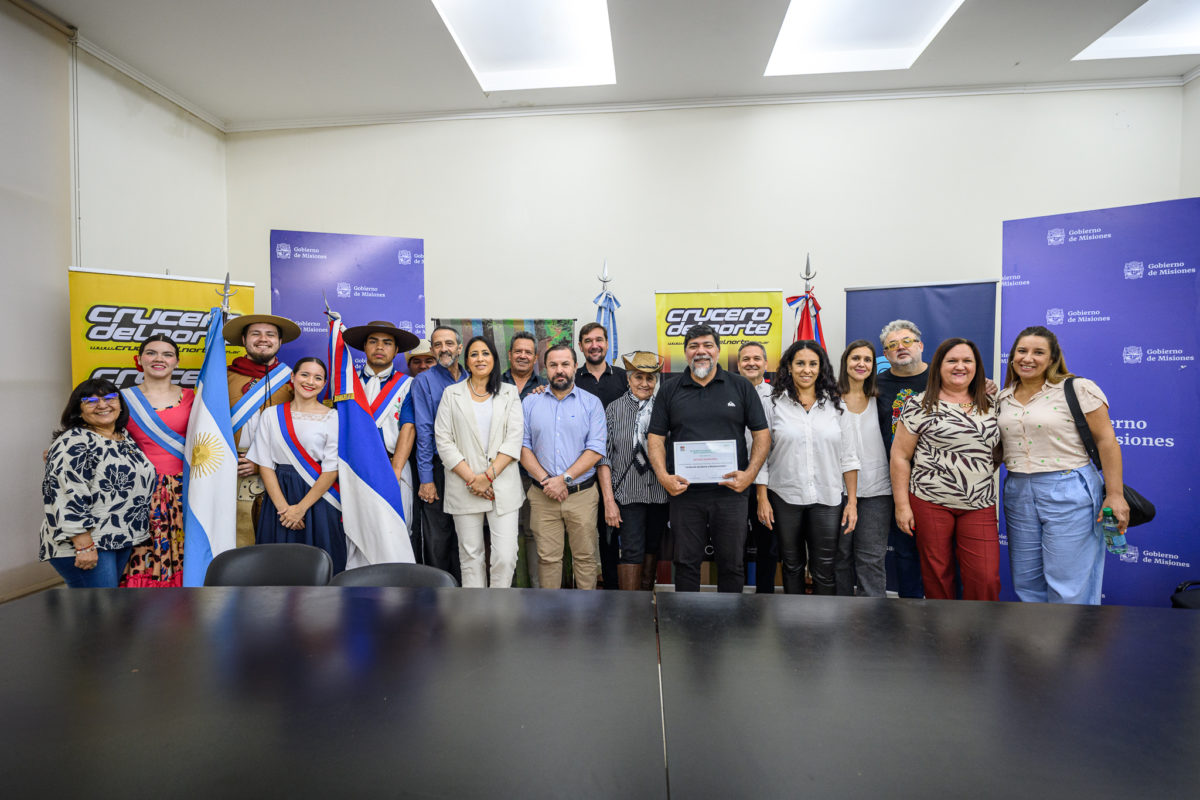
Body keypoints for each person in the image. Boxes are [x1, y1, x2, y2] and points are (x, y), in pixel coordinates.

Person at [997, 325, 1129, 605]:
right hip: (1018, 490)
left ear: (1052, 359)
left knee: (1069, 583)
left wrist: (1115, 495)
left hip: (1069, 487)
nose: (1028, 358)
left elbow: (1107, 441)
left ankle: (1073, 647)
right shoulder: (1002, 397)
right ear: (1012, 357)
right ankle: (1036, 645)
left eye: (1038, 352)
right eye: (1022, 351)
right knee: (1027, 580)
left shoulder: (1077, 388)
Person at [647, 324, 769, 593]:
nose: (701, 351)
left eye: (707, 345)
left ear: (718, 350)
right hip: (685, 492)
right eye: (694, 346)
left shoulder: (740, 386)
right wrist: (663, 477)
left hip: (731, 493)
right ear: (685, 352)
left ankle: (730, 626)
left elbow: (762, 435)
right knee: (687, 563)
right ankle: (688, 626)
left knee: (732, 564)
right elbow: (655, 439)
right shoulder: (669, 389)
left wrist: (749, 476)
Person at [890, 338, 1001, 601]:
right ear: (939, 366)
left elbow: (1000, 451)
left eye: (967, 361)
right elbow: (900, 456)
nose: (959, 366)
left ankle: (979, 636)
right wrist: (902, 505)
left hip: (979, 503)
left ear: (977, 367)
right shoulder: (918, 404)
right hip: (930, 502)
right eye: (952, 360)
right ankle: (943, 637)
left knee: (985, 577)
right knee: (937, 575)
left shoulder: (993, 403)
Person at [756, 340, 859, 595]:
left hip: (827, 497)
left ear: (821, 368)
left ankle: (825, 631)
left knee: (825, 568)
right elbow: (761, 455)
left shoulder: (837, 406)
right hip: (784, 496)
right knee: (791, 566)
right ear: (789, 368)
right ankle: (795, 629)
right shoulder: (772, 404)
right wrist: (761, 498)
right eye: (800, 363)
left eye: (813, 364)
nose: (806, 370)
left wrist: (852, 502)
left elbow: (849, 457)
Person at [40, 379, 155, 588]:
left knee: (103, 611)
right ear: (78, 409)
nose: (102, 405)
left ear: (120, 404)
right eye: (91, 400)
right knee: (100, 613)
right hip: (87, 543)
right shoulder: (73, 442)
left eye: (110, 398)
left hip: (117, 538)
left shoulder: (124, 438)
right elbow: (65, 495)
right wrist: (83, 545)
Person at [435, 336, 525, 587]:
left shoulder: (509, 393)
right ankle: (475, 617)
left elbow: (514, 439)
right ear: (467, 361)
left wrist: (486, 478)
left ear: (494, 359)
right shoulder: (451, 394)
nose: (480, 359)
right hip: (465, 485)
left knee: (505, 557)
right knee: (471, 556)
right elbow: (443, 440)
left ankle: (499, 612)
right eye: (474, 354)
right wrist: (473, 479)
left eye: (485, 353)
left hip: (501, 486)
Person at [520, 342, 607, 589]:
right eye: (553, 365)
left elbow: (596, 450)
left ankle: (586, 619)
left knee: (585, 558)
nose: (560, 370)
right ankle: (551, 620)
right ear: (545, 368)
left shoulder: (592, 404)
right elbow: (522, 448)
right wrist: (549, 481)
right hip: (542, 495)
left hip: (581, 495)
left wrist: (563, 479)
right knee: (547, 560)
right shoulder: (530, 403)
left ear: (575, 367)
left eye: (565, 364)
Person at [247, 357, 345, 572]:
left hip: (318, 497)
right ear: (293, 377)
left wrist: (300, 509)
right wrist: (285, 510)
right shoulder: (271, 415)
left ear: (324, 384)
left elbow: (331, 469)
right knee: (278, 566)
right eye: (304, 374)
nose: (310, 381)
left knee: (320, 565)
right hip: (279, 496)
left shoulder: (333, 417)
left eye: (318, 378)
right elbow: (265, 465)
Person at [119, 334, 196, 587]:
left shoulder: (193, 397)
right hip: (137, 491)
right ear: (139, 359)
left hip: (185, 490)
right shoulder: (120, 399)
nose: (159, 359)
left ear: (176, 362)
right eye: (151, 353)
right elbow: (100, 435)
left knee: (183, 548)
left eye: (167, 354)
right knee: (142, 552)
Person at [224, 313, 301, 548]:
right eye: (255, 334)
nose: (263, 339)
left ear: (279, 341)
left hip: (280, 471)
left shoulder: (293, 381)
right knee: (236, 542)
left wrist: (259, 463)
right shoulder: (222, 377)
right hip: (232, 471)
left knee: (276, 542)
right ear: (244, 339)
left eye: (270, 334)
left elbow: (304, 432)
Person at [598, 351, 670, 590]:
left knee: (652, 548)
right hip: (627, 493)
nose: (644, 383)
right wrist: (609, 500)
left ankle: (647, 604)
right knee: (631, 550)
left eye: (651, 378)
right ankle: (632, 612)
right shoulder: (613, 409)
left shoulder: (666, 407)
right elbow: (604, 458)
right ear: (628, 379)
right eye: (639, 377)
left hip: (659, 492)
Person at [343, 319, 420, 523]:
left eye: (387, 343)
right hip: (353, 467)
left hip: (393, 463)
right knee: (357, 531)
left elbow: (408, 428)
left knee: (395, 530)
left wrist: (394, 471)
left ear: (396, 350)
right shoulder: (347, 386)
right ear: (364, 347)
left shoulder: (408, 385)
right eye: (373, 341)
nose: (379, 347)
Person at [834, 339, 892, 597]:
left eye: (867, 359)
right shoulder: (829, 398)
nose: (861, 364)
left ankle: (875, 619)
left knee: (871, 558)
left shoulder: (880, 398)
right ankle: (840, 617)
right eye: (856, 358)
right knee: (840, 556)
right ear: (845, 362)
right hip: (837, 490)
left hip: (877, 490)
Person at [875, 320, 928, 598]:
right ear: (886, 355)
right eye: (892, 345)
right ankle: (911, 614)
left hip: (936, 481)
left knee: (941, 553)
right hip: (894, 479)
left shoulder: (942, 377)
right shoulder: (875, 384)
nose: (901, 348)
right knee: (905, 551)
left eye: (907, 341)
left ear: (920, 345)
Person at [575, 321, 627, 590]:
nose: (594, 345)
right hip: (580, 469)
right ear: (581, 346)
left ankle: (614, 589)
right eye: (588, 340)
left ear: (607, 344)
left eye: (599, 340)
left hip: (618, 469)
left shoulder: (623, 378)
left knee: (611, 533)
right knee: (583, 536)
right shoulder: (570, 379)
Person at [413, 325, 467, 580]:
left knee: (469, 536)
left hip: (471, 469)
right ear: (433, 349)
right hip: (438, 468)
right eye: (437, 344)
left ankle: (466, 597)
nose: (443, 349)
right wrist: (426, 478)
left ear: (459, 347)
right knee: (439, 537)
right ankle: (441, 595)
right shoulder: (424, 381)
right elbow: (423, 431)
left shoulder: (473, 378)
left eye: (449, 343)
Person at [502, 331, 549, 588]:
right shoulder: (494, 384)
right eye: (517, 351)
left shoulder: (546, 387)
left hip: (533, 473)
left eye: (528, 352)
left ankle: (537, 593)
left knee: (534, 533)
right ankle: (506, 592)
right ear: (509, 355)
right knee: (504, 532)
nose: (522, 355)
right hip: (502, 471)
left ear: (535, 358)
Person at [737, 341, 777, 593]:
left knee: (768, 545)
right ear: (738, 365)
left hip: (768, 483)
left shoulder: (778, 397)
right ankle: (733, 598)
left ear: (765, 364)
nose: (751, 363)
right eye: (745, 359)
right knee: (733, 545)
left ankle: (765, 597)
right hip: (732, 480)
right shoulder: (727, 392)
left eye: (756, 358)